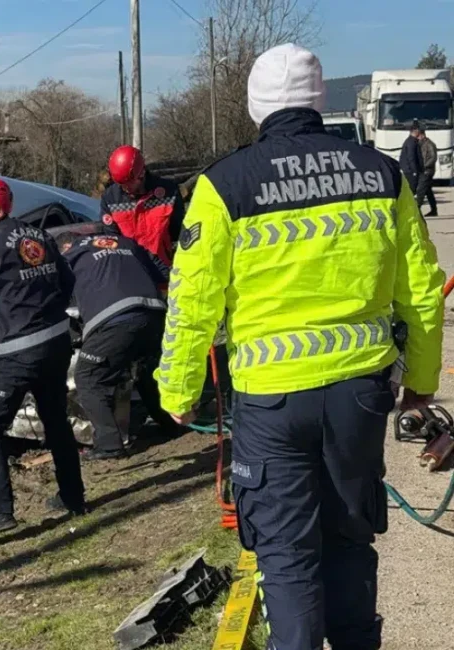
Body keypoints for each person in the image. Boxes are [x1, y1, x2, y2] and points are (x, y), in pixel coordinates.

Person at [155, 43, 444, 650]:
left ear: (256, 106)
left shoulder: (224, 183)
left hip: (271, 404)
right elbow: (421, 288)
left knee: (286, 554)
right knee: (348, 538)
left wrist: (179, 388)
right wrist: (421, 379)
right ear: (319, 102)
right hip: (359, 395)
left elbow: (191, 301)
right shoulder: (380, 173)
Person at [0, 177, 86, 540]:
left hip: (19, 351)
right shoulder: (40, 236)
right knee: (55, 419)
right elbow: (66, 280)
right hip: (57, 342)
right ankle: (73, 496)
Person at [57, 224, 175, 460]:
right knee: (146, 370)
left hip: (114, 320)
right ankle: (171, 423)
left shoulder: (70, 255)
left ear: (66, 247)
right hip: (155, 313)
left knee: (88, 378)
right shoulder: (126, 243)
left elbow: (53, 294)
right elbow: (165, 272)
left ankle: (109, 444)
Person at [100, 145, 186, 267]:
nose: (125, 188)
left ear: (141, 174)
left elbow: (178, 233)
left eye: (129, 183)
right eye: (121, 184)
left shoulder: (169, 192)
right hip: (131, 271)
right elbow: (113, 240)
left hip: (164, 270)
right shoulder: (111, 199)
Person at [417, 126, 438, 216]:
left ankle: (417, 209)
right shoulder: (421, 144)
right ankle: (434, 210)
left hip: (427, 170)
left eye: (418, 136)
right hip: (424, 170)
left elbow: (433, 157)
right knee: (428, 191)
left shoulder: (429, 144)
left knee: (420, 190)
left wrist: (424, 166)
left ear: (422, 135)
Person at [399, 120, 423, 194]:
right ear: (415, 131)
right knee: (411, 188)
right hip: (410, 171)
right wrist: (414, 171)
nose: (419, 132)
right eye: (419, 130)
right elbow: (411, 157)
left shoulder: (412, 141)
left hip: (409, 169)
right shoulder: (411, 142)